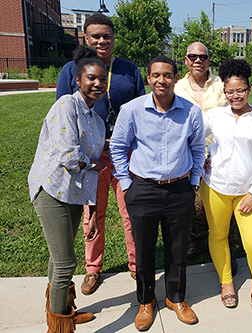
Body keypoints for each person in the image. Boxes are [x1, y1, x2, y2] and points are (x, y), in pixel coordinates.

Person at [110, 56, 204, 330]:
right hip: (143, 189)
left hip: (179, 189)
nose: (162, 80)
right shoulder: (132, 110)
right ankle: (146, 300)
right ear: (148, 78)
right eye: (156, 75)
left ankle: (176, 298)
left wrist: (193, 181)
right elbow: (117, 147)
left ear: (176, 78)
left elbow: (198, 149)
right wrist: (127, 185)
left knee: (177, 249)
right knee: (144, 250)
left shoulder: (190, 111)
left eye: (167, 75)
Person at [57, 13, 146, 294]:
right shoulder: (70, 71)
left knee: (132, 211)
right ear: (85, 37)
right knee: (93, 214)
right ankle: (93, 268)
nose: (101, 41)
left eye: (106, 35)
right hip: (90, 158)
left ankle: (137, 265)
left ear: (114, 38)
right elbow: (63, 113)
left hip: (124, 154)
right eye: (95, 36)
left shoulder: (129, 70)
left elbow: (143, 111)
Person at [29, 46, 107, 333]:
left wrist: (93, 210)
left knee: (58, 258)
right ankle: (60, 328)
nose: (97, 84)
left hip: (74, 195)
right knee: (66, 263)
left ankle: (59, 311)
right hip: (52, 190)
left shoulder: (97, 120)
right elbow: (67, 155)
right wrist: (94, 163)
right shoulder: (66, 105)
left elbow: (90, 171)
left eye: (102, 79)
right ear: (78, 80)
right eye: (91, 78)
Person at [200, 59, 252, 312]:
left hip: (248, 193)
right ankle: (226, 283)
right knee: (218, 236)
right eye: (230, 91)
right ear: (224, 91)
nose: (235, 96)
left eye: (240, 90)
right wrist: (201, 157)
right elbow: (192, 138)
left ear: (249, 88)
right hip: (215, 188)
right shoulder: (215, 115)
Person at [175, 42, 239, 273]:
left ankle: (228, 247)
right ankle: (199, 241)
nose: (197, 60)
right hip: (186, 156)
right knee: (194, 205)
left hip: (219, 157)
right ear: (186, 60)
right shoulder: (177, 87)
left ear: (208, 60)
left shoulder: (222, 86)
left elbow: (235, 113)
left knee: (224, 202)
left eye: (202, 56)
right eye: (192, 56)